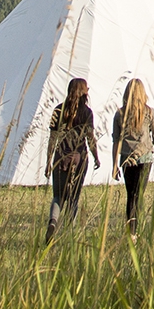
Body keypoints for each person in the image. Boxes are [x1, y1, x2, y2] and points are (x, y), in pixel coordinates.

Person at [44, 78, 98, 243]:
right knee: (74, 197)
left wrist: (48, 161)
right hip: (79, 157)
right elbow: (90, 138)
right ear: (84, 92)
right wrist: (96, 156)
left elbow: (53, 138)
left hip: (61, 157)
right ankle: (70, 231)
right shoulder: (87, 113)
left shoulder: (59, 110)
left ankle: (53, 221)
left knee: (58, 195)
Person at [112, 79, 154, 237]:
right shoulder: (149, 112)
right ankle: (135, 228)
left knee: (131, 194)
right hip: (145, 157)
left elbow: (116, 141)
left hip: (127, 158)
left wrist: (115, 164)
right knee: (138, 194)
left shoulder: (120, 114)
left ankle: (131, 230)